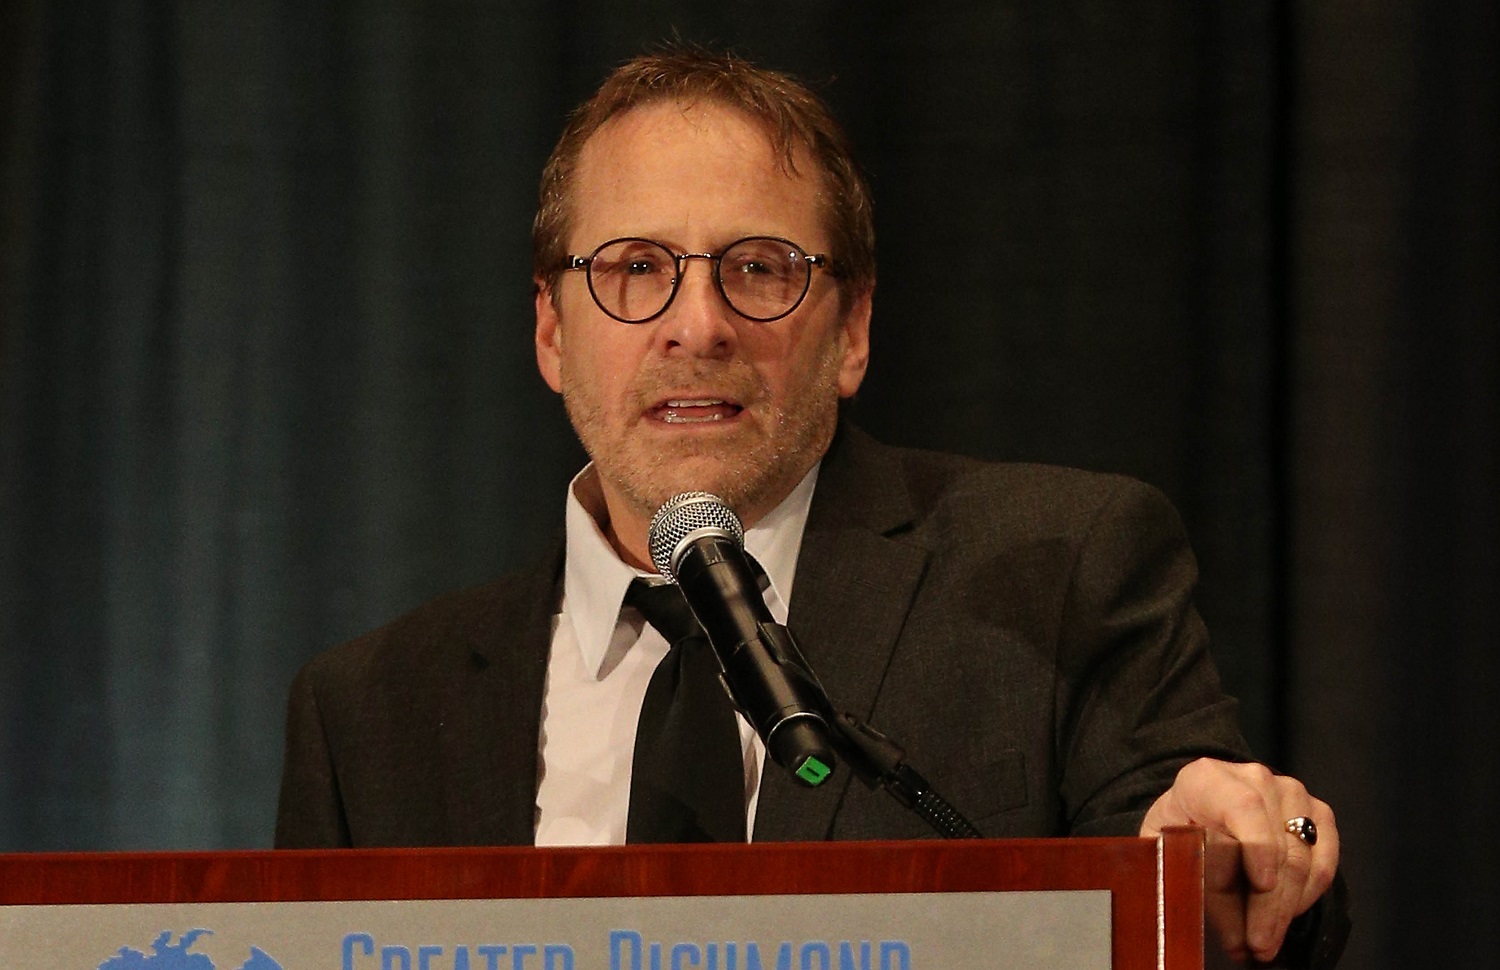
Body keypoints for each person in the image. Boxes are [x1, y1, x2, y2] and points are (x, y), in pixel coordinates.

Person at [276, 46, 1341, 965]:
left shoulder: (1052, 575)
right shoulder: (371, 714)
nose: (698, 324)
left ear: (853, 331)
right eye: (635, 267)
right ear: (553, 334)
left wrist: (1263, 845)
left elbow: (1224, 886)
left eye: (760, 267)